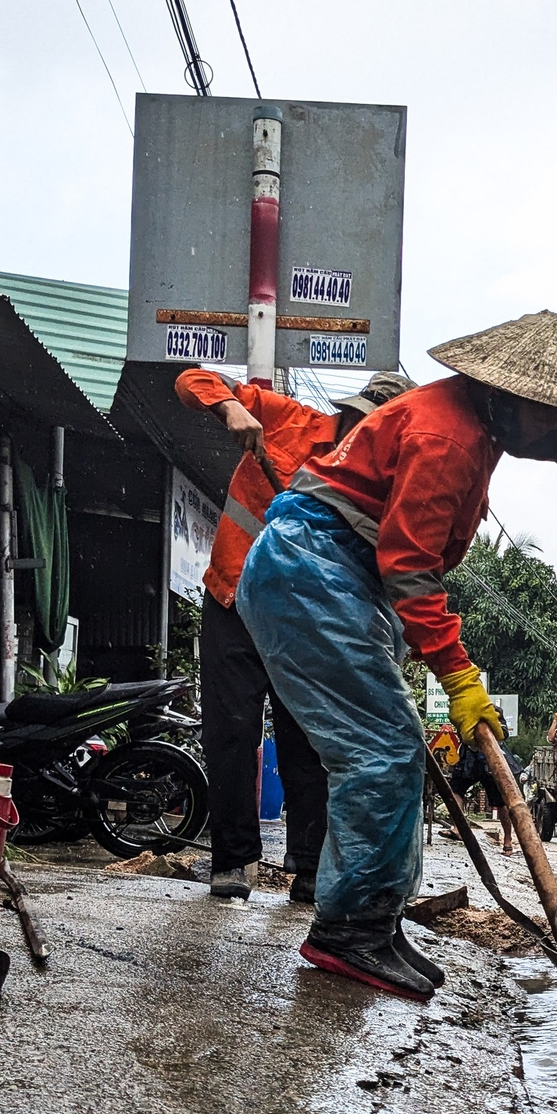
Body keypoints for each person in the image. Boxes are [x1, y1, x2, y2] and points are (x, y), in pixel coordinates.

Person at [239, 311, 557, 998]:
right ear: (512, 398)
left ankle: (375, 920)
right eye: (550, 417)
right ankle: (349, 933)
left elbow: (531, 444)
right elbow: (409, 569)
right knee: (380, 752)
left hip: (332, 576)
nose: (552, 429)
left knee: (394, 748)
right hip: (313, 574)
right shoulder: (447, 438)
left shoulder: (477, 420)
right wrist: (459, 676)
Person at [175, 366, 411, 903]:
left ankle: (308, 866)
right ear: (349, 412)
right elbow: (191, 379)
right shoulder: (288, 421)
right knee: (230, 732)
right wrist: (229, 408)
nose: (362, 432)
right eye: (360, 419)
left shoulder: (382, 488)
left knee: (305, 739)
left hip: (305, 621)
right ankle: (233, 861)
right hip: (233, 596)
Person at [449, 734, 520, 855]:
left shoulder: (494, 714)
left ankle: (507, 840)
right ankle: (458, 828)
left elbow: (503, 732)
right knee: (456, 790)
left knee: (500, 802)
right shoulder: (464, 715)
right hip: (469, 758)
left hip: (491, 757)